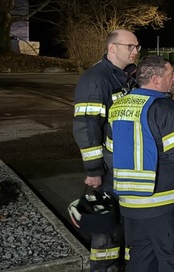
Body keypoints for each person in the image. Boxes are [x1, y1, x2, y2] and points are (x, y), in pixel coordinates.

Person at [107, 55, 174, 271]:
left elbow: (111, 152)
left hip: (130, 207)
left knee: (140, 260)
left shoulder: (118, 108)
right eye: (171, 74)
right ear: (156, 79)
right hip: (165, 206)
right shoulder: (166, 108)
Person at [73, 29, 140, 271]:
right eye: (130, 47)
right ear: (113, 48)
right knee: (106, 224)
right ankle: (104, 267)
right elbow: (86, 127)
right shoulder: (96, 79)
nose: (135, 51)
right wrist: (94, 169)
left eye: (137, 47)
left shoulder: (128, 76)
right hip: (108, 166)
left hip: (126, 163)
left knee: (127, 220)